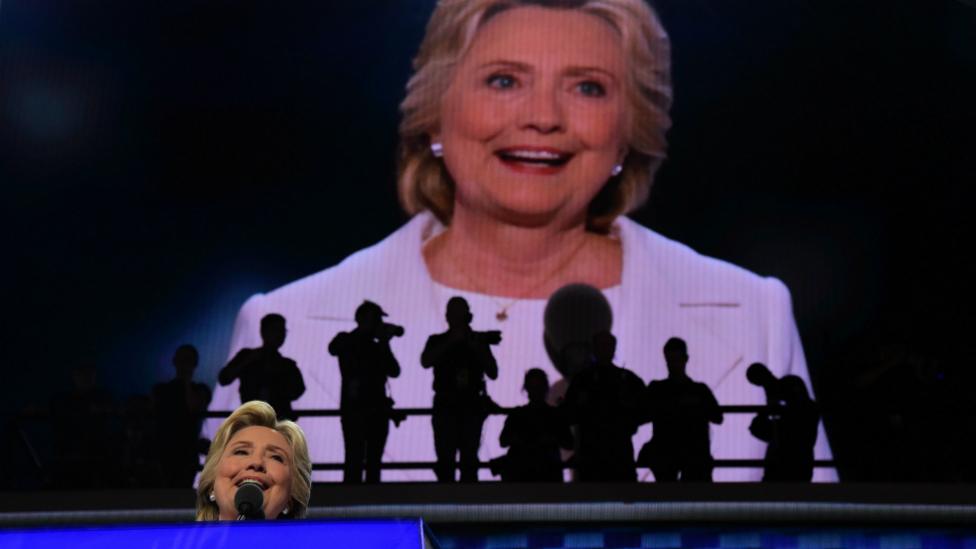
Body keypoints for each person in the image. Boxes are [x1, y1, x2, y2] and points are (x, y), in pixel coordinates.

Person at [206, 0, 835, 481]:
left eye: (587, 87)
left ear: (628, 131)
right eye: (504, 80)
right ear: (435, 116)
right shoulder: (287, 321)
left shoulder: (754, 315)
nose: (543, 117)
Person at [422, 297, 500, 481]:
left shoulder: (477, 341)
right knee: (446, 460)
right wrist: (452, 341)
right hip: (447, 406)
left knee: (469, 461)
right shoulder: (437, 340)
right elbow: (426, 361)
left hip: (469, 407)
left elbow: (493, 372)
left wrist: (477, 348)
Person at [196, 401, 312, 521]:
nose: (256, 463)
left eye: (276, 457)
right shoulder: (178, 539)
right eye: (241, 452)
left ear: (290, 499)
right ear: (211, 486)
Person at [328, 301, 403, 483]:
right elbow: (333, 348)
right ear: (360, 319)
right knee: (354, 459)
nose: (378, 323)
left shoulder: (376, 346)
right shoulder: (347, 340)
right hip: (355, 411)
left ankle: (369, 501)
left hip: (376, 411)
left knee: (372, 462)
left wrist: (384, 342)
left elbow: (394, 371)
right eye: (374, 318)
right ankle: (352, 503)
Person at [562, 331, 645, 481]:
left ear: (614, 348)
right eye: (602, 345)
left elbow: (645, 408)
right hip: (595, 455)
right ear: (594, 349)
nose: (605, 349)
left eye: (608, 345)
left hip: (616, 453)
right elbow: (569, 413)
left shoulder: (584, 380)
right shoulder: (583, 380)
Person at [638, 337, 722, 482]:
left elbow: (717, 417)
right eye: (671, 360)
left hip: (673, 455)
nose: (674, 365)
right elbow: (717, 417)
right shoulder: (698, 390)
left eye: (675, 360)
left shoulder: (658, 389)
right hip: (689, 455)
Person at [218, 314, 306, 421]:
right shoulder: (247, 356)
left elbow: (298, 390)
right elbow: (224, 378)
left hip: (277, 421)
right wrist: (247, 361)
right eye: (275, 329)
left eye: (282, 330)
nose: (280, 334)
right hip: (252, 420)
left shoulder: (287, 365)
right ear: (263, 331)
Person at [495, 368, 573, 481]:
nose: (535, 391)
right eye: (533, 387)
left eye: (537, 387)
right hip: (543, 475)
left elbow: (503, 441)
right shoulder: (554, 416)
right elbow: (503, 441)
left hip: (529, 475)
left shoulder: (518, 415)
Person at [152, 344, 212, 487]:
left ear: (195, 363)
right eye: (182, 359)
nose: (185, 363)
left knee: (182, 488)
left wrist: (186, 381)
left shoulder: (200, 389)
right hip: (165, 446)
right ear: (174, 361)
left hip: (188, 448)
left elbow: (194, 407)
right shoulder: (162, 389)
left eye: (189, 359)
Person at [749, 374, 820, 481]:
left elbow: (758, 429)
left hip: (778, 470)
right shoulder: (809, 413)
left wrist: (766, 412)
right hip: (801, 471)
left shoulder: (787, 421)